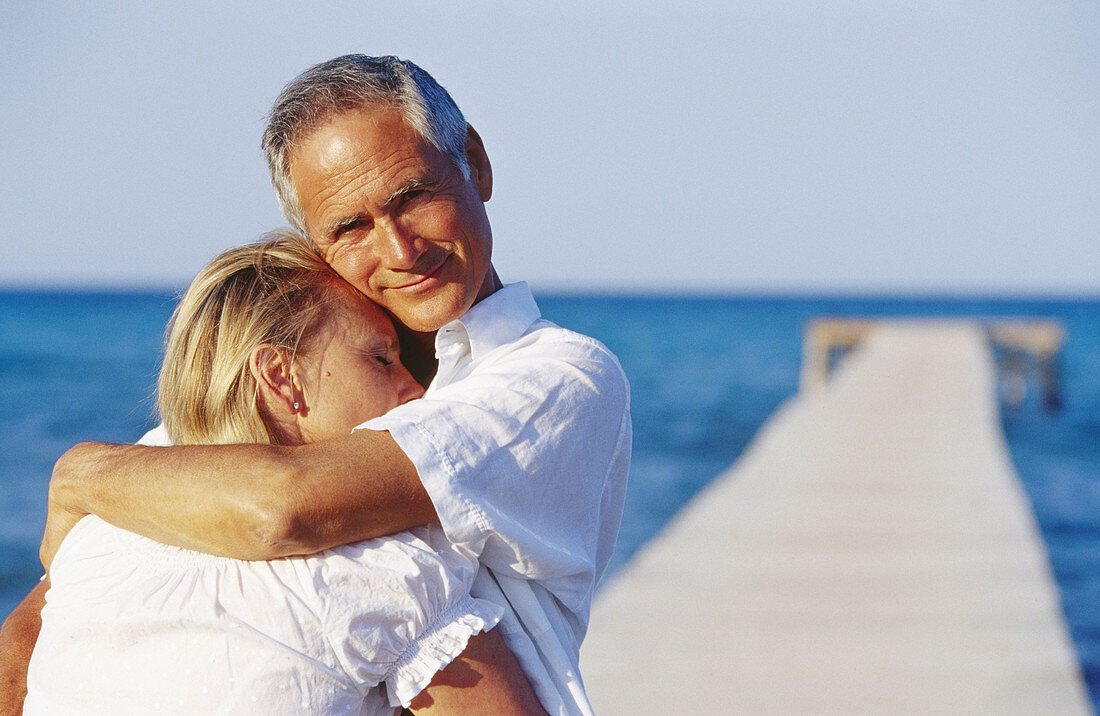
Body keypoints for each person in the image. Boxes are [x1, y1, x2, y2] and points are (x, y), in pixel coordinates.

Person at [4, 55, 630, 716]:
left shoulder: (556, 378)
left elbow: (289, 506)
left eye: (413, 195)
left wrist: (84, 473)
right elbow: (34, 631)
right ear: (315, 242)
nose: (398, 248)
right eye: (350, 227)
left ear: (474, 161)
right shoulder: (293, 377)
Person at [22, 234, 545, 715]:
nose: (415, 388)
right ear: (281, 376)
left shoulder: (96, 536)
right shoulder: (377, 571)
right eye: (383, 359)